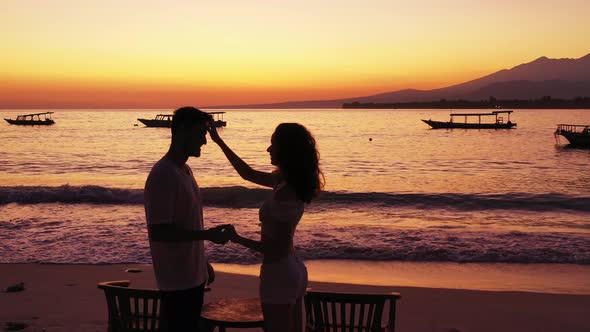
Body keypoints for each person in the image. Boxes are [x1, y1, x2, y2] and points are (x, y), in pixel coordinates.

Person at [208, 122, 324, 332]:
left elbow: (274, 248)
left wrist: (237, 238)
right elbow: (248, 174)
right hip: (292, 268)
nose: (268, 149)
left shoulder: (286, 193)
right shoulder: (286, 181)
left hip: (279, 272)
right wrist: (219, 142)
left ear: (286, 149)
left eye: (273, 144)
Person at [144, 106, 231, 332]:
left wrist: (201, 263)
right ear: (183, 131)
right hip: (176, 282)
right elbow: (160, 232)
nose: (204, 141)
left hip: (192, 278)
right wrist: (208, 235)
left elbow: (187, 223)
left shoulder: (185, 170)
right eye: (201, 133)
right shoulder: (163, 175)